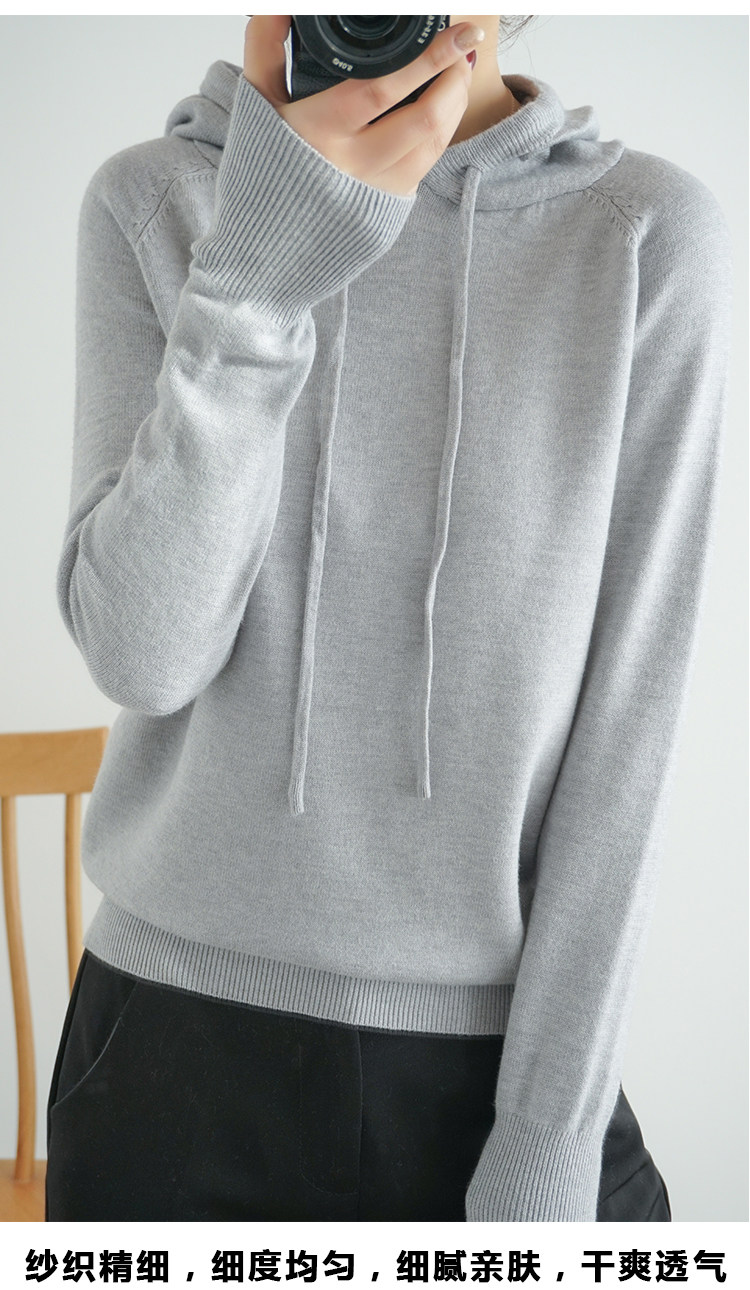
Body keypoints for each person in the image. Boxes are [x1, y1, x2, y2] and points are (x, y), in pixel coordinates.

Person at [45, 13, 731, 1222]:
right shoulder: (156, 202)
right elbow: (144, 656)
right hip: (166, 1050)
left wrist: (550, 1138)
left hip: (490, 1074)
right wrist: (254, 281)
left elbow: (629, 731)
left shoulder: (642, 236)